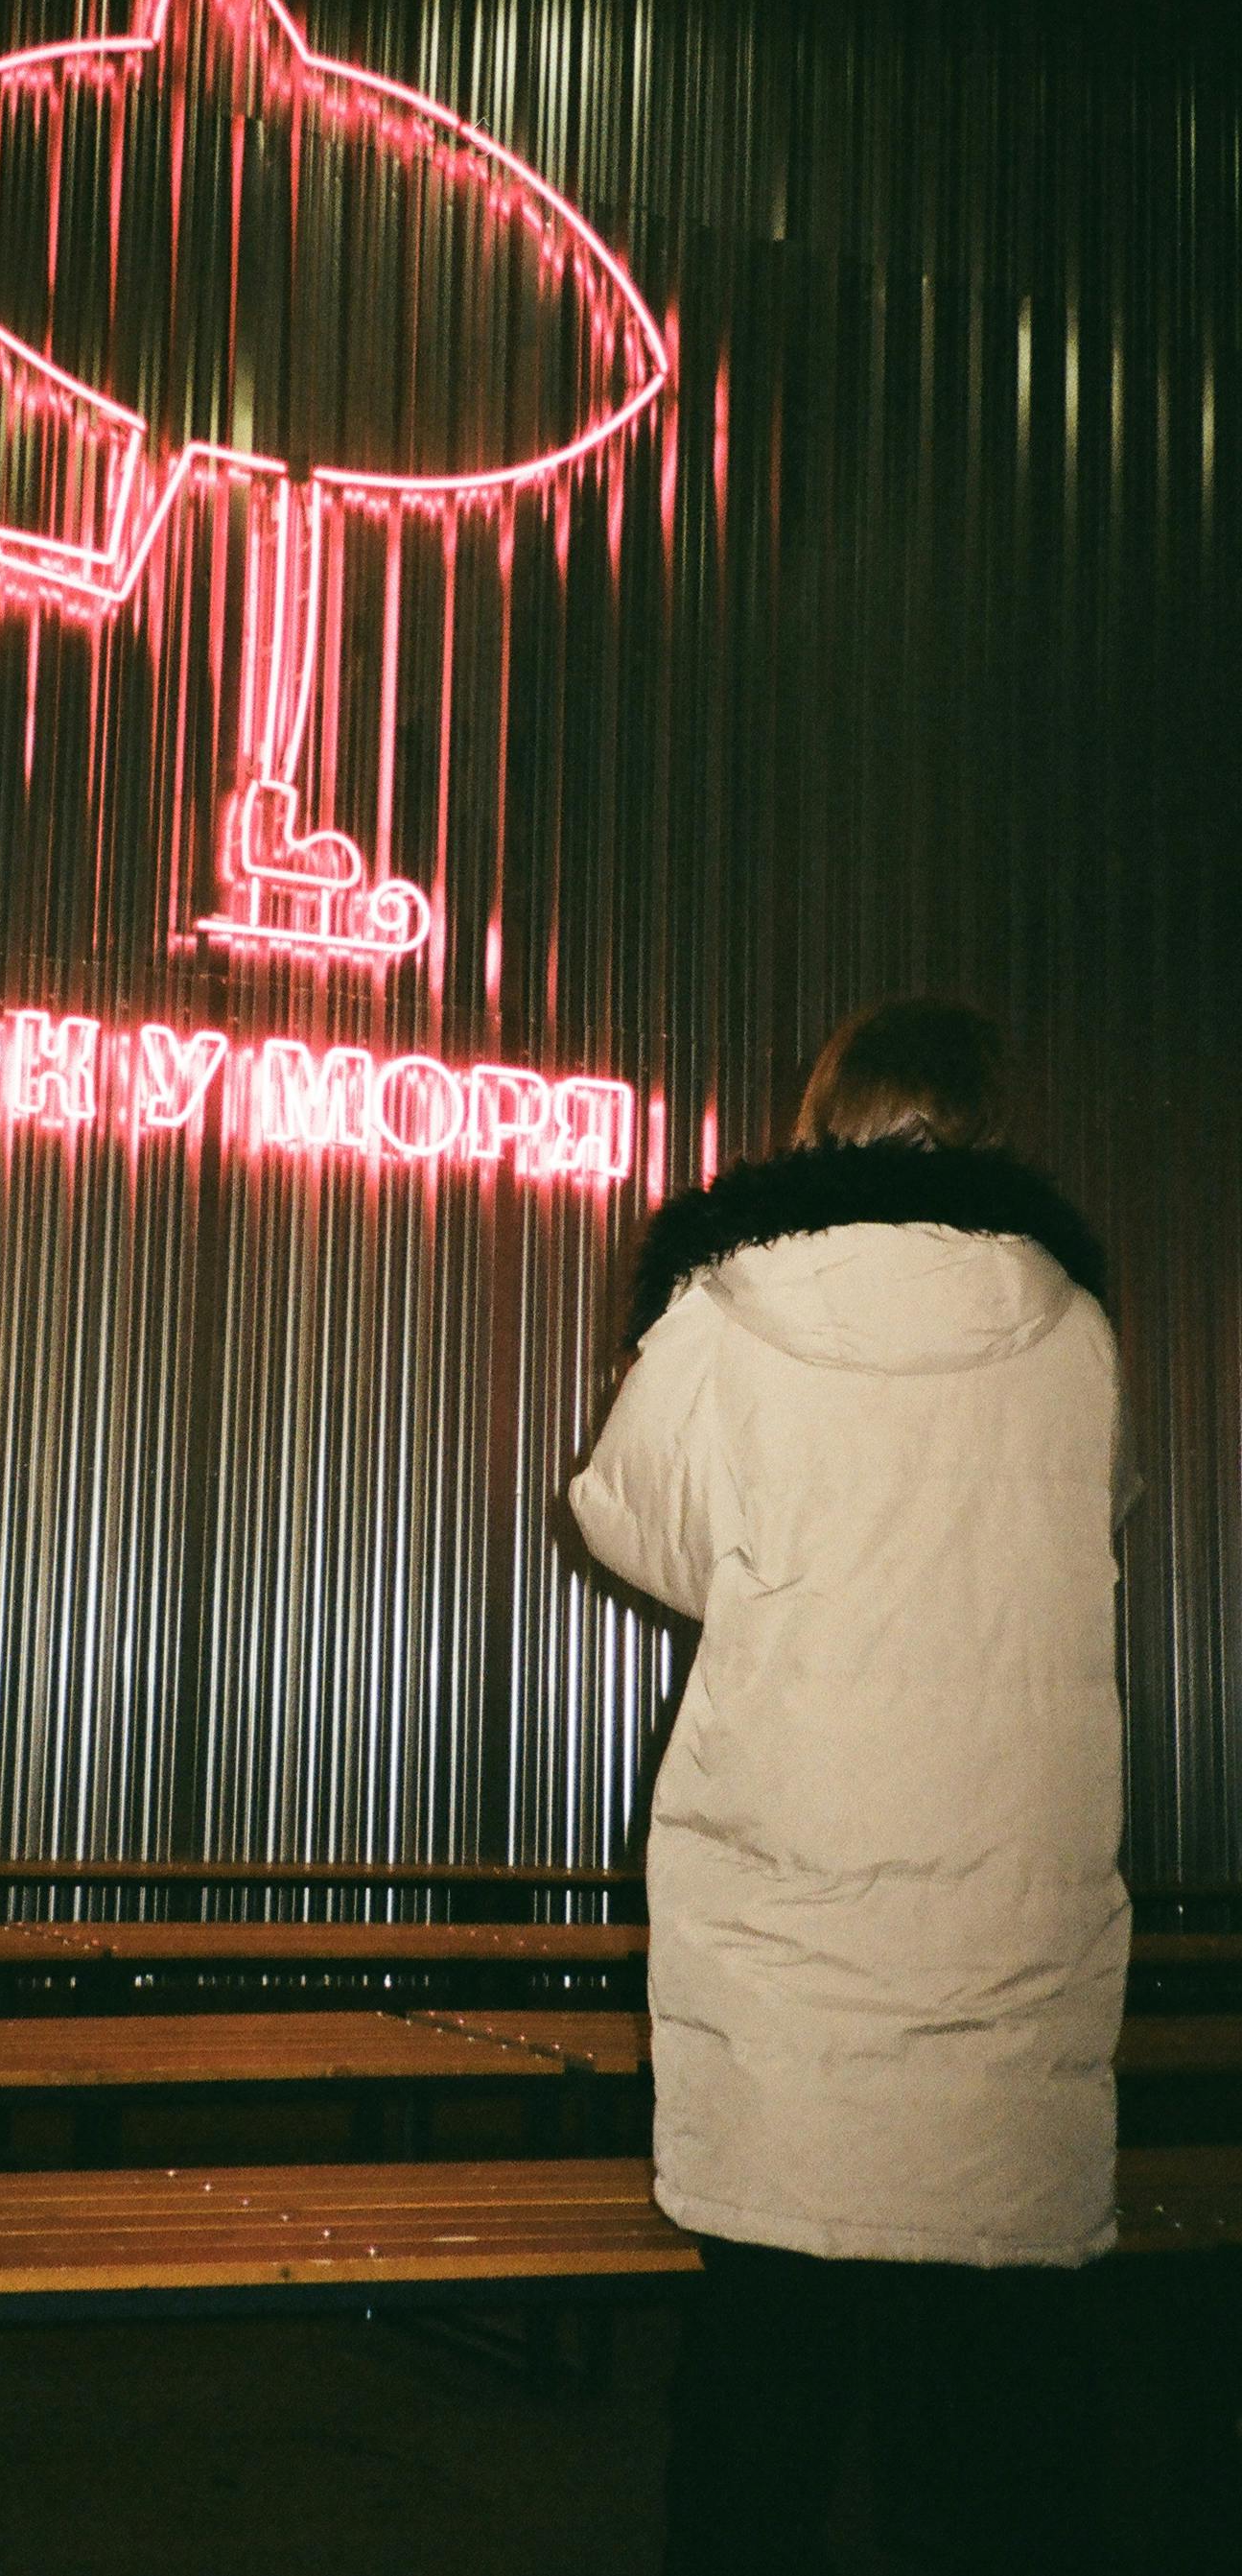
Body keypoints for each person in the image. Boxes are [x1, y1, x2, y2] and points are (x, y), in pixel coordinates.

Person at [569, 1001, 1135, 2572]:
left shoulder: (730, 1312)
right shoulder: (1076, 1328)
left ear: (824, 1126)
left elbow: (631, 1525)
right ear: (988, 1133)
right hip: (1007, 1958)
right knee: (986, 2422)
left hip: (798, 1955)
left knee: (764, 2392)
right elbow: (1099, 1526)